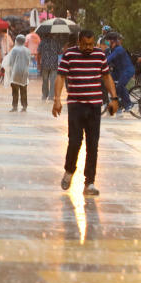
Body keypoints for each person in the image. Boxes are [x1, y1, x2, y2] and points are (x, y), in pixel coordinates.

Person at [53, 30, 119, 196]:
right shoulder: (69, 55)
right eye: (85, 44)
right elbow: (61, 77)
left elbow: (106, 77)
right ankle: (69, 170)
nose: (89, 48)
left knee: (93, 145)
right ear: (79, 42)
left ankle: (89, 182)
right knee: (74, 141)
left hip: (94, 106)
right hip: (76, 105)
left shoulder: (99, 55)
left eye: (91, 44)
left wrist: (114, 98)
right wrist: (57, 99)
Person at [105, 33, 135, 114]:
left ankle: (129, 104)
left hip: (127, 70)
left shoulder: (119, 49)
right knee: (111, 83)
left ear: (112, 41)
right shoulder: (110, 49)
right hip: (118, 71)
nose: (106, 42)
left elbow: (108, 59)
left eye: (107, 40)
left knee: (120, 86)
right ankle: (118, 105)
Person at [5, 33, 32, 112]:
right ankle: (24, 107)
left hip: (15, 72)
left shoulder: (14, 50)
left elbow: (11, 62)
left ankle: (15, 107)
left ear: (16, 41)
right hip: (24, 72)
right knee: (24, 90)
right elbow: (28, 61)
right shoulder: (27, 50)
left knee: (15, 91)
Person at [38, 35, 62, 101]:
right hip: (54, 65)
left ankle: (44, 96)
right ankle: (51, 97)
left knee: (45, 80)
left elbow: (38, 52)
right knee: (53, 81)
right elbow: (60, 52)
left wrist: (38, 64)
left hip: (44, 64)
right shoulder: (56, 42)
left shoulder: (42, 42)